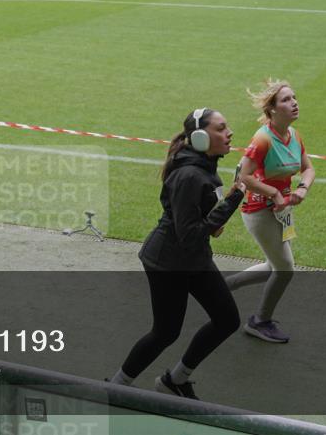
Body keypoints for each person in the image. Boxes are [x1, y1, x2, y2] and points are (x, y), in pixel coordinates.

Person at [108, 108, 245, 400]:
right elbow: (190, 235)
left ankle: (175, 379)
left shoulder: (204, 167)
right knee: (166, 332)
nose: (229, 132)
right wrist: (231, 202)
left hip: (192, 258)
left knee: (227, 319)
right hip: (168, 262)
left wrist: (223, 206)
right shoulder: (190, 175)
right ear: (199, 137)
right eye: (221, 128)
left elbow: (207, 228)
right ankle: (115, 387)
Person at [226, 79, 315, 344]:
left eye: (294, 97)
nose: (294, 103)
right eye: (286, 100)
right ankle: (259, 321)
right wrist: (275, 193)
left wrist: (302, 189)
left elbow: (308, 168)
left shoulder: (294, 135)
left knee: (273, 266)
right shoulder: (263, 138)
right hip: (258, 210)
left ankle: (221, 289)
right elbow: (245, 176)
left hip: (281, 211)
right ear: (272, 110)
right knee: (285, 269)